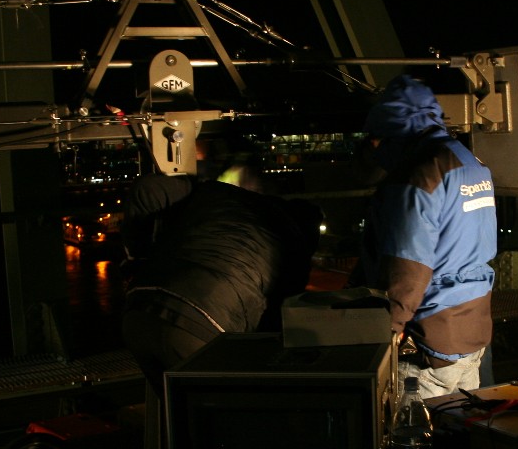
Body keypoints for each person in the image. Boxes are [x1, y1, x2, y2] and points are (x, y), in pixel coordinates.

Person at [354, 74, 497, 400]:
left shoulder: (416, 175)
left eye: (376, 139)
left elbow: (408, 269)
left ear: (392, 131)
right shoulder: (468, 161)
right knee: (459, 422)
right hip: (471, 326)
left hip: (428, 341)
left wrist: (387, 332)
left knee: (413, 429)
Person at [120, 169, 322, 396]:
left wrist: (138, 258)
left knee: (175, 410)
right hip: (201, 327)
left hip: (138, 310)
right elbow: (273, 327)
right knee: (215, 410)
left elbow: (146, 190)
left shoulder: (216, 191)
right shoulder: (294, 250)